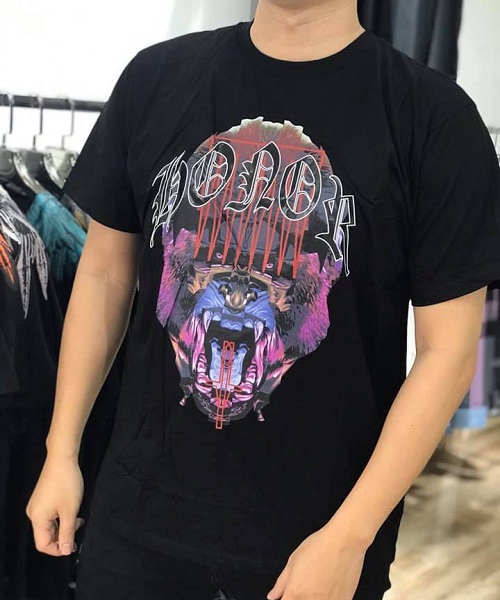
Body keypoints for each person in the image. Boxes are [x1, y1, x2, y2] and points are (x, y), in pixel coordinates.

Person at [25, 0, 500, 598]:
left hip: (314, 543)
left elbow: (448, 352)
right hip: (135, 527)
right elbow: (103, 276)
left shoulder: (433, 117)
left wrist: (350, 536)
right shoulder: (154, 78)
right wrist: (61, 450)